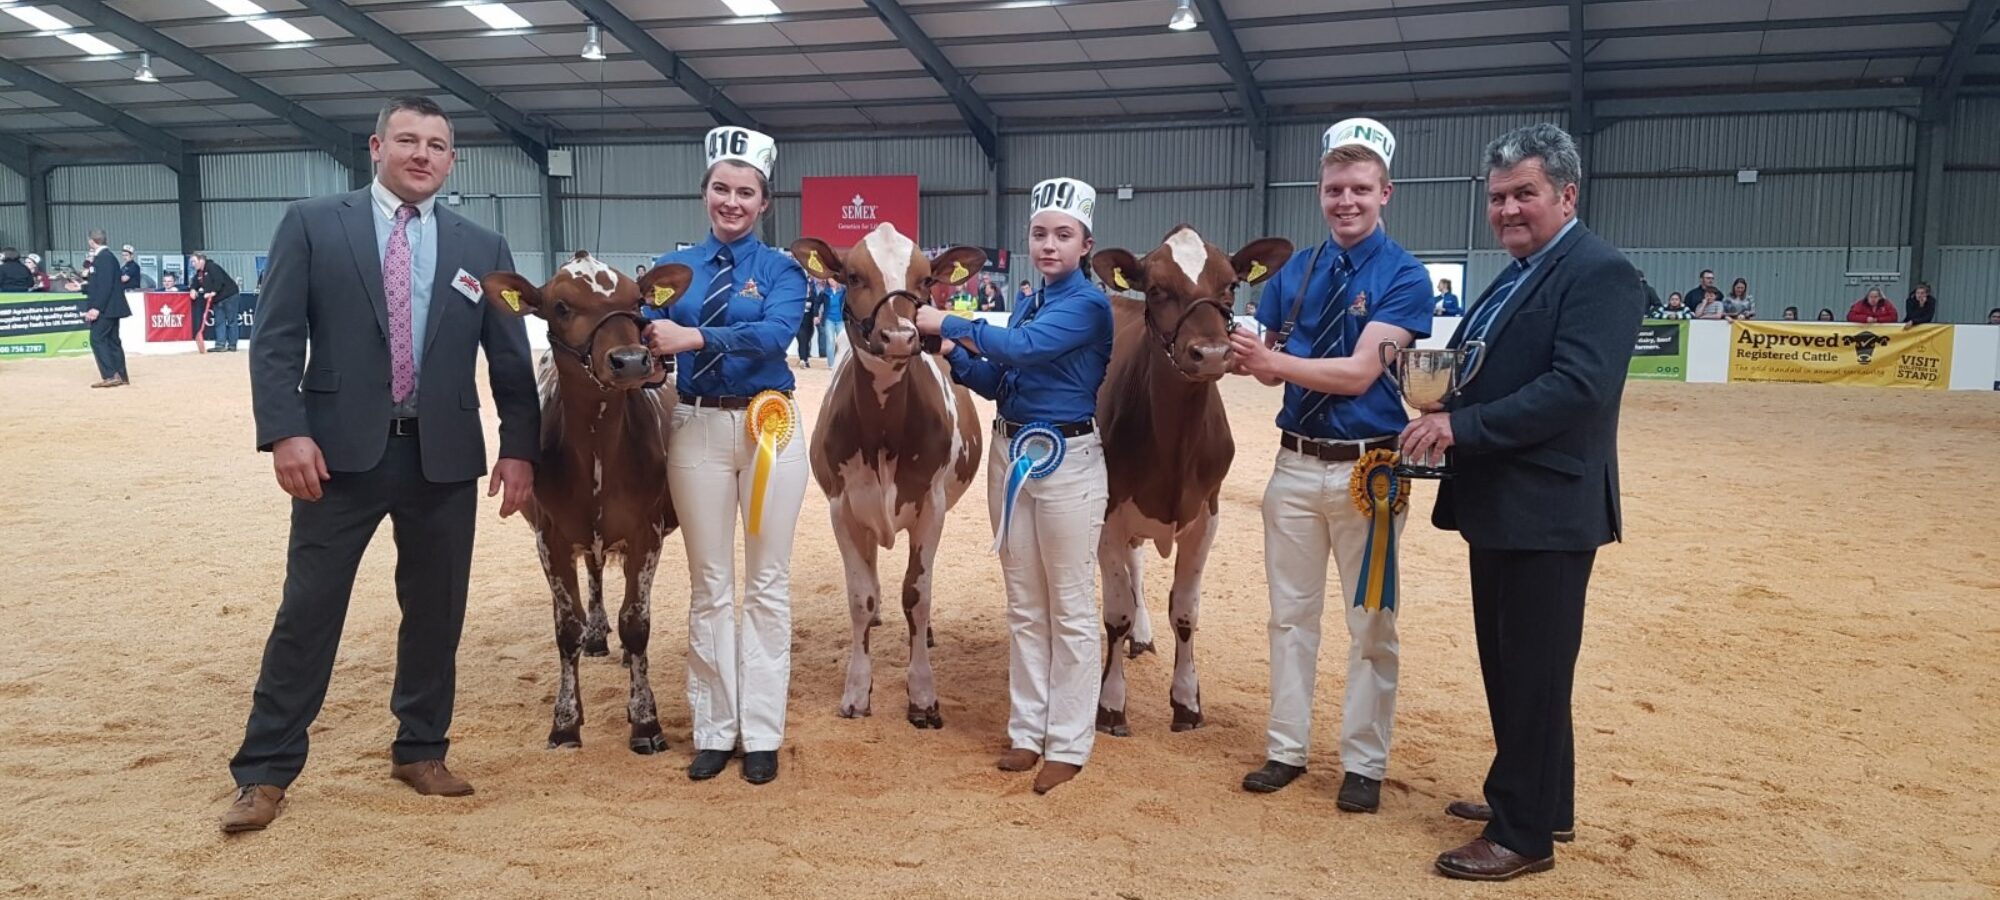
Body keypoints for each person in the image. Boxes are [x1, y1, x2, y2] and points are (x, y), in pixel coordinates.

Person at [221, 96, 539, 834]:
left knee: (436, 613)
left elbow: (512, 362)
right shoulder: (311, 223)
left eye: (436, 144)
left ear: (451, 159)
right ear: (376, 146)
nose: (421, 154)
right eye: (407, 140)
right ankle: (265, 772)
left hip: (445, 459)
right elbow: (274, 341)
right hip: (336, 457)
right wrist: (286, 434)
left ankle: (421, 747)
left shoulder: (482, 245)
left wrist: (520, 447)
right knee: (307, 613)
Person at [1399, 123, 1643, 881]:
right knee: (1517, 667)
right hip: (1507, 500)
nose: (1506, 210)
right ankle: (1545, 797)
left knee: (1531, 670)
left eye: (1524, 194)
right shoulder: (1517, 272)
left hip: (1549, 506)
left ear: (1567, 195)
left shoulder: (1601, 272)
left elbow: (1578, 388)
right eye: (1498, 197)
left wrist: (1458, 426)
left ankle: (1523, 834)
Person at [1224, 118, 1431, 815]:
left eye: (1360, 189)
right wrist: (1243, 348)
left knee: (1372, 620)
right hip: (1293, 466)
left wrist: (1269, 361)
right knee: (1290, 616)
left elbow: (1359, 371)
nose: (1347, 201)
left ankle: (1364, 762)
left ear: (1385, 194)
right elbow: (1265, 365)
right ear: (1320, 192)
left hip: (1368, 473)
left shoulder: (1404, 276)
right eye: (1335, 188)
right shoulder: (1295, 271)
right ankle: (1286, 748)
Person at [915, 176, 1113, 796]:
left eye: (1062, 235)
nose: (1048, 245)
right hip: (1013, 450)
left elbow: (1023, 351)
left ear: (1085, 243)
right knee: (1025, 603)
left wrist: (946, 316)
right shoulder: (1031, 300)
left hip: (1068, 457)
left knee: (1072, 607)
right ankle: (1028, 729)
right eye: (1039, 233)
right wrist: (952, 352)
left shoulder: (1086, 304)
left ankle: (1070, 740)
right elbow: (1004, 379)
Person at [641, 125, 808, 787]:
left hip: (770, 427)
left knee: (767, 584)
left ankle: (762, 732)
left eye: (746, 192)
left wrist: (692, 334)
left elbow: (774, 335)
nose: (732, 201)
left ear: (764, 203)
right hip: (696, 427)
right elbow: (648, 336)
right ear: (705, 192)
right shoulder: (672, 267)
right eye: (722, 188)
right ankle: (714, 729)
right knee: (710, 586)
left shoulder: (782, 271)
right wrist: (656, 351)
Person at [81, 230, 130, 388]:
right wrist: (82, 287)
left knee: (97, 339)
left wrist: (96, 307)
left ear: (91, 241)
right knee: (112, 340)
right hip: (111, 307)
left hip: (106, 308)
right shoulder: (107, 258)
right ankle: (121, 374)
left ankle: (110, 374)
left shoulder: (103, 259)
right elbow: (100, 284)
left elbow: (105, 286)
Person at [191, 252, 242, 352]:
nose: (192, 264)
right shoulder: (199, 274)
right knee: (219, 321)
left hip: (229, 296)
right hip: (217, 300)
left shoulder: (213, 267)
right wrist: (193, 289)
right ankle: (220, 344)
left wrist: (213, 292)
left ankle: (232, 345)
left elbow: (219, 280)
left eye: (194, 261)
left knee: (232, 321)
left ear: (201, 260)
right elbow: (195, 283)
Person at [796, 278, 823, 368]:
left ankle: (806, 358)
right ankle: (802, 359)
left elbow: (815, 307)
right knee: (801, 339)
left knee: (807, 339)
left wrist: (816, 316)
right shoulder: (797, 297)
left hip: (808, 320)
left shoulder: (812, 297)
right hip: (799, 321)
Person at [818, 276, 843, 366]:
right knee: (830, 341)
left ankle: (840, 363)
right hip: (829, 320)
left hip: (841, 320)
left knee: (841, 343)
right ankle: (831, 364)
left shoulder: (843, 291)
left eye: (833, 279)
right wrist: (816, 315)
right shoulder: (825, 292)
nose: (831, 281)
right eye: (829, 279)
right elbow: (817, 303)